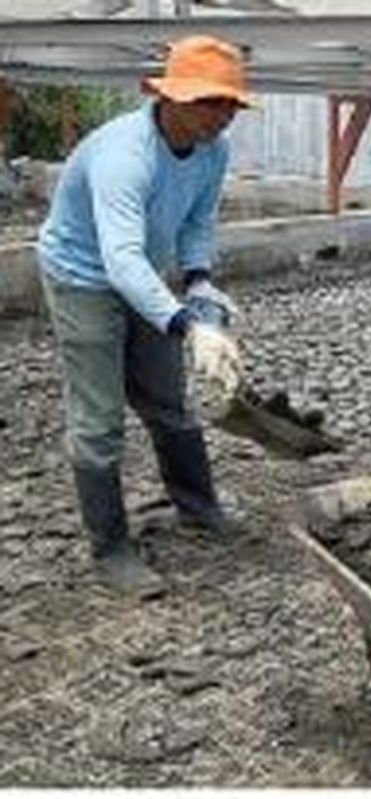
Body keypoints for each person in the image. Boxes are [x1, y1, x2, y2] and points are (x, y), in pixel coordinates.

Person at [37, 35, 250, 597]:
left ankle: (199, 507)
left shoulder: (213, 149)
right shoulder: (124, 155)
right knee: (100, 418)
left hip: (145, 274)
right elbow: (120, 259)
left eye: (230, 104)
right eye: (210, 102)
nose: (223, 115)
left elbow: (198, 222)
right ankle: (110, 549)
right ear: (172, 97)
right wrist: (185, 325)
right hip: (82, 276)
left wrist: (201, 285)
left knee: (168, 401)